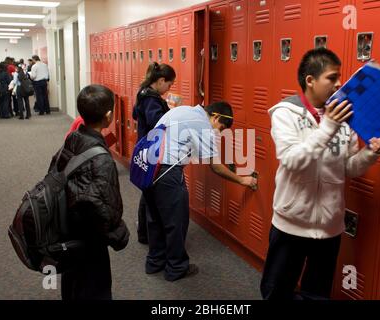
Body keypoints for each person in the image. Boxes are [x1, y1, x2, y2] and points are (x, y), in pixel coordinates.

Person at [260, 48, 380, 300]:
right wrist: (328, 125)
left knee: (317, 294)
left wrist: (371, 154)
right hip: (291, 224)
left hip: (329, 228)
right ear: (310, 80)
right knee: (276, 292)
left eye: (339, 76)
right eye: (332, 77)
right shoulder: (286, 113)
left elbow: (348, 168)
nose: (339, 83)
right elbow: (292, 160)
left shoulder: (345, 116)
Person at [142, 101, 257, 281]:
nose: (218, 132)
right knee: (176, 221)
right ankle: (176, 268)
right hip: (167, 172)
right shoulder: (202, 124)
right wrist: (244, 179)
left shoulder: (182, 110)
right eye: (221, 127)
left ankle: (154, 262)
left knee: (155, 217)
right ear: (216, 116)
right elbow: (216, 167)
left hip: (147, 167)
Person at [48, 84, 130, 300]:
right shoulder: (102, 159)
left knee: (73, 285)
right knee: (95, 289)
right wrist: (118, 234)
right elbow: (104, 207)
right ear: (109, 116)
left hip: (68, 232)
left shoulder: (72, 139)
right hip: (89, 241)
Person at [132, 62, 176, 245]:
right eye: (170, 84)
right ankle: (148, 234)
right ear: (160, 80)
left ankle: (144, 233)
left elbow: (136, 115)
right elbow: (156, 122)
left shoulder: (143, 92)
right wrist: (172, 113)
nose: (169, 88)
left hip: (145, 147)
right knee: (150, 195)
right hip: (152, 150)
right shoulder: (151, 98)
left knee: (147, 191)